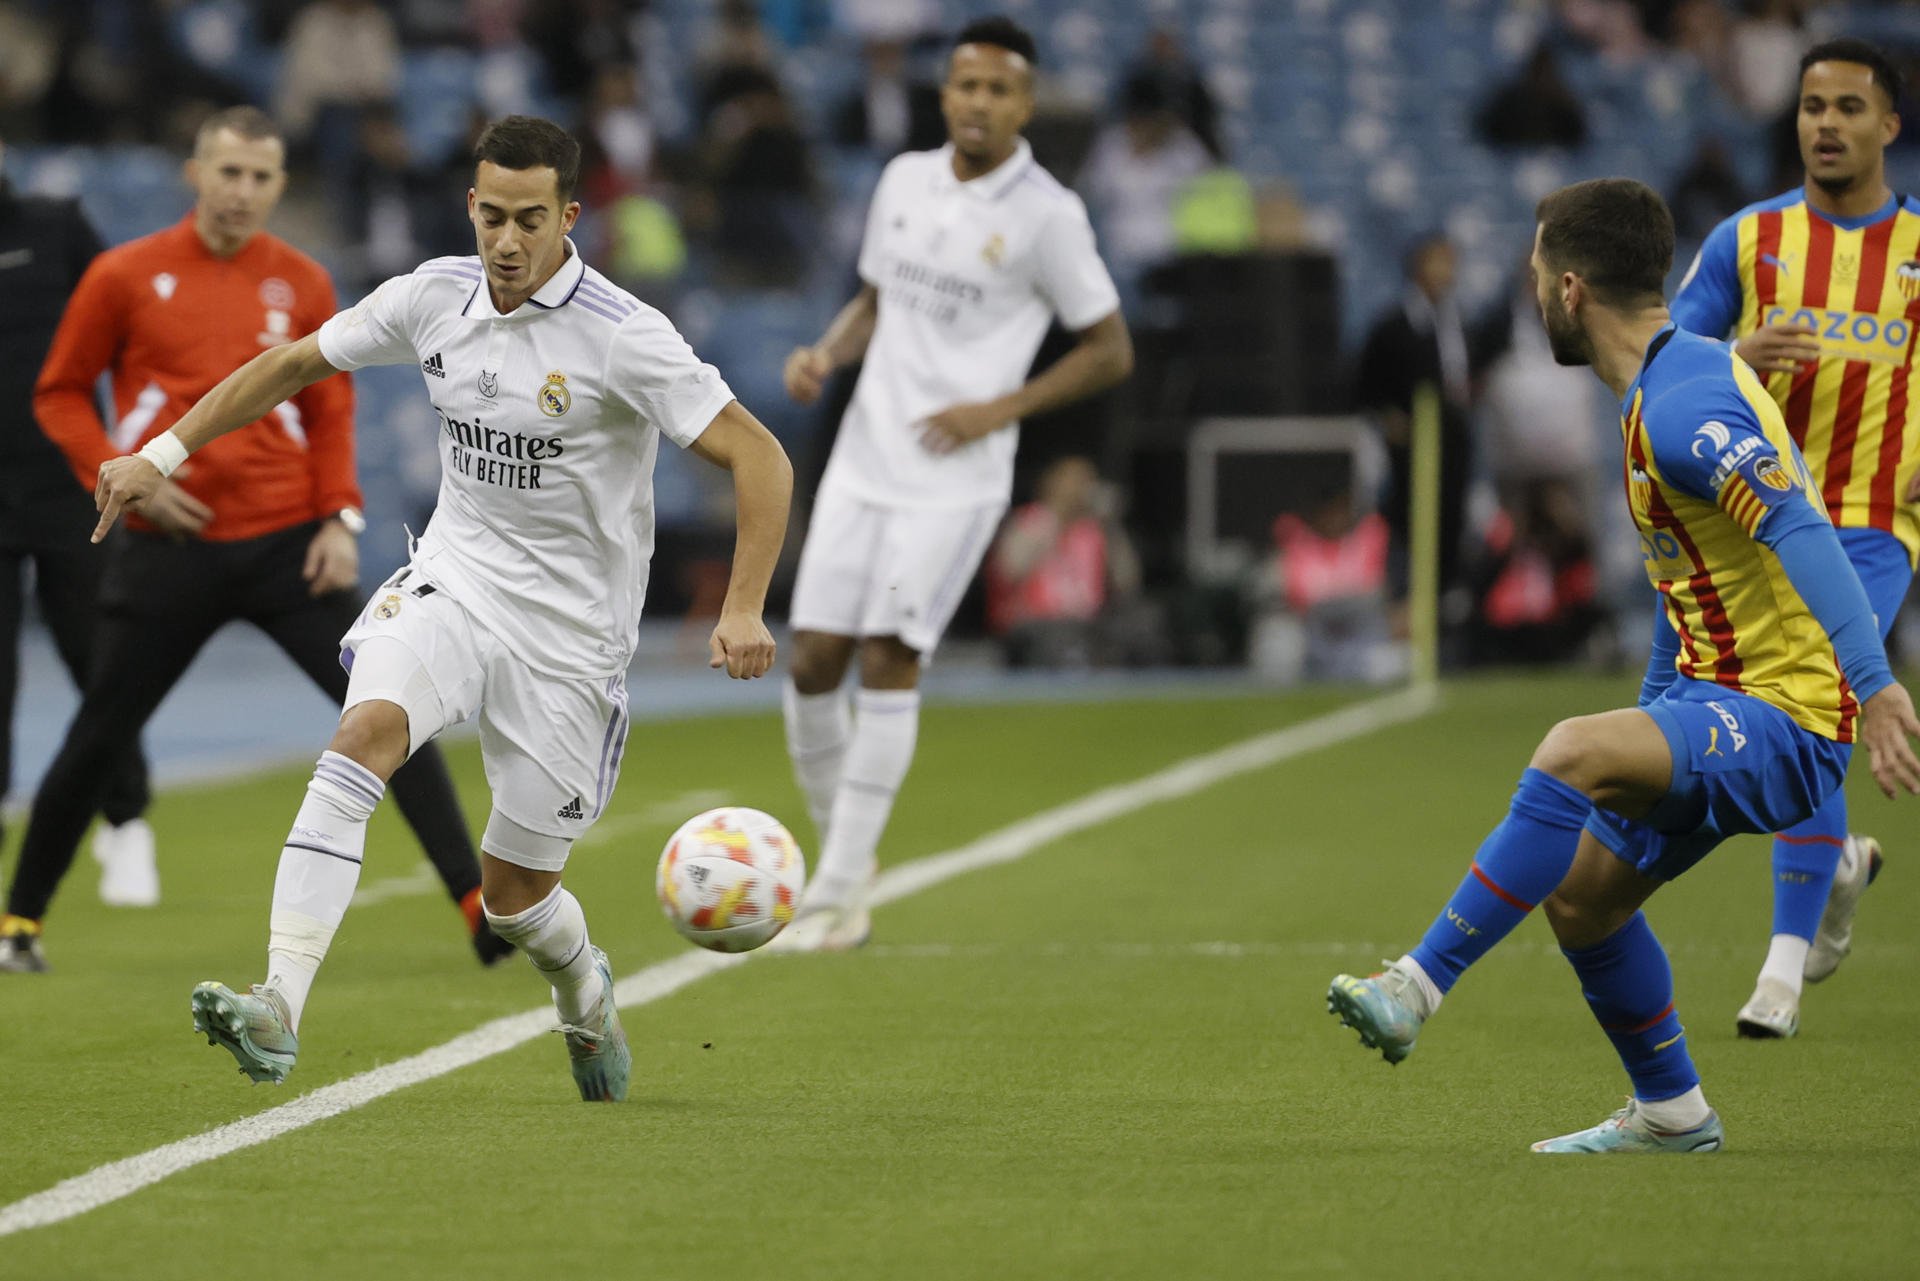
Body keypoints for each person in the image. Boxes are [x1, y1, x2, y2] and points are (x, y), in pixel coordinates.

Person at [90, 114, 792, 1102]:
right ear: (471, 205)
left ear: (570, 218)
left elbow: (760, 454)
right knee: (363, 735)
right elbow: (292, 364)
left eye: (531, 221)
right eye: (493, 216)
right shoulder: (433, 297)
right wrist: (157, 454)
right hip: (452, 583)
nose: (508, 242)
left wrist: (745, 605)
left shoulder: (624, 338)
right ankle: (278, 1004)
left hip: (570, 643)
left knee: (513, 900)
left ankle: (584, 985)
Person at [1326, 178, 1920, 1153]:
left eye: (1530, 274)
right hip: (1715, 697)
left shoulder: (1686, 405)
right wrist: (1652, 715)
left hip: (1787, 719)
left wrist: (1876, 685)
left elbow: (1802, 527)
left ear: (1567, 291)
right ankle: (1674, 1113)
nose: (1526, 292)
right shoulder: (1663, 383)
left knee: (1566, 749)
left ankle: (1413, 988)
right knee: (1583, 897)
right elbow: (1684, 584)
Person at [0, 106, 509, 974]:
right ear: (194, 174)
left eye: (261, 176)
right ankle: (19, 925)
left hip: (287, 549)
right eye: (227, 172)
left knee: (388, 710)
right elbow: (60, 392)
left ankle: (478, 908)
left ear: (279, 185)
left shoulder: (304, 281)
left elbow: (328, 406)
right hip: (168, 552)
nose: (242, 191)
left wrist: (337, 519)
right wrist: (124, 474)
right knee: (99, 732)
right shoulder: (123, 274)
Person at [775, 15, 1132, 951]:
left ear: (1025, 102)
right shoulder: (901, 180)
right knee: (811, 661)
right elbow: (877, 297)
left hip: (953, 477)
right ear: (945, 93)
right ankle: (844, 859)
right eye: (966, 85)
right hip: (864, 457)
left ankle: (837, 889)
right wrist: (826, 351)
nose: (979, 102)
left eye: (1000, 89)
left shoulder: (1048, 213)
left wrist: (998, 408)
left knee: (892, 653)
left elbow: (1109, 349)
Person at [1670, 38, 1920, 1040]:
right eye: (1813, 105)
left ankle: (1779, 973)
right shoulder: (1748, 241)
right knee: (1761, 738)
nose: (1825, 123)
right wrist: (1734, 352)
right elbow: (1662, 361)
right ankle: (1837, 870)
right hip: (1750, 532)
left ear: (1889, 127)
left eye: (1849, 108)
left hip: (1867, 529)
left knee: (1808, 693)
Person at [0, 131, 155, 907]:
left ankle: (127, 823)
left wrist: (126, 447)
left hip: (71, 491)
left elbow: (125, 329)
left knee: (101, 660)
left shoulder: (56, 225)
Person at [1353, 233, 1476, 607]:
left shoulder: (1458, 322)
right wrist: (1389, 418)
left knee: (1449, 526)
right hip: (1409, 454)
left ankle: (1447, 602)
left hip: (1453, 447)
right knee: (1410, 526)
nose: (1447, 272)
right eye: (1439, 262)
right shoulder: (1393, 326)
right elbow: (1364, 384)